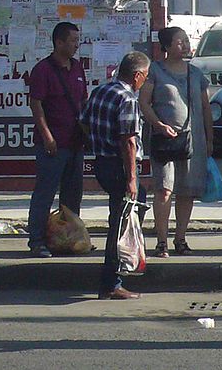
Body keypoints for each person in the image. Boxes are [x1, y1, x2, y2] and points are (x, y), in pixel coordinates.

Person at [138, 26, 213, 258]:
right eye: (179, 42)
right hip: (164, 140)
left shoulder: (196, 74)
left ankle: (180, 239)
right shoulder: (155, 72)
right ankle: (162, 241)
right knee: (164, 190)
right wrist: (158, 124)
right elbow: (144, 103)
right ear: (167, 47)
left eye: (186, 41)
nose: (185, 45)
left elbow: (205, 107)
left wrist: (210, 139)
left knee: (186, 191)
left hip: (192, 140)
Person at [80, 51, 151, 300]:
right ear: (137, 76)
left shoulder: (101, 91)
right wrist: (131, 178)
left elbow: (85, 122)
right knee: (121, 224)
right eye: (145, 77)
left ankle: (114, 278)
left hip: (101, 163)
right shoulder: (127, 98)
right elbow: (128, 142)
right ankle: (112, 282)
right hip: (119, 166)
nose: (145, 82)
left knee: (120, 218)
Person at [25, 22, 88, 258]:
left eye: (76, 40)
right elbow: (36, 104)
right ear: (59, 42)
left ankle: (71, 238)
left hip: (75, 142)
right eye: (72, 40)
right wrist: (46, 135)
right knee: (45, 192)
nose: (75, 45)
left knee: (72, 195)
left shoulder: (77, 68)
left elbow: (82, 102)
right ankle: (37, 240)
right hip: (52, 145)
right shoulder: (43, 70)